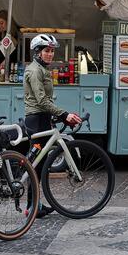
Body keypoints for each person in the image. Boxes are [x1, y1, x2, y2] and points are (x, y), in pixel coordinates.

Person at [24, 34, 83, 218]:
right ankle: (32, 206)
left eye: (51, 51)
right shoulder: (35, 71)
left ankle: (35, 205)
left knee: (39, 165)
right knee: (35, 164)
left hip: (43, 117)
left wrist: (59, 116)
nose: (50, 54)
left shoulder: (42, 69)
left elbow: (45, 101)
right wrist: (64, 114)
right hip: (36, 119)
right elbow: (41, 100)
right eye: (46, 51)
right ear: (37, 52)